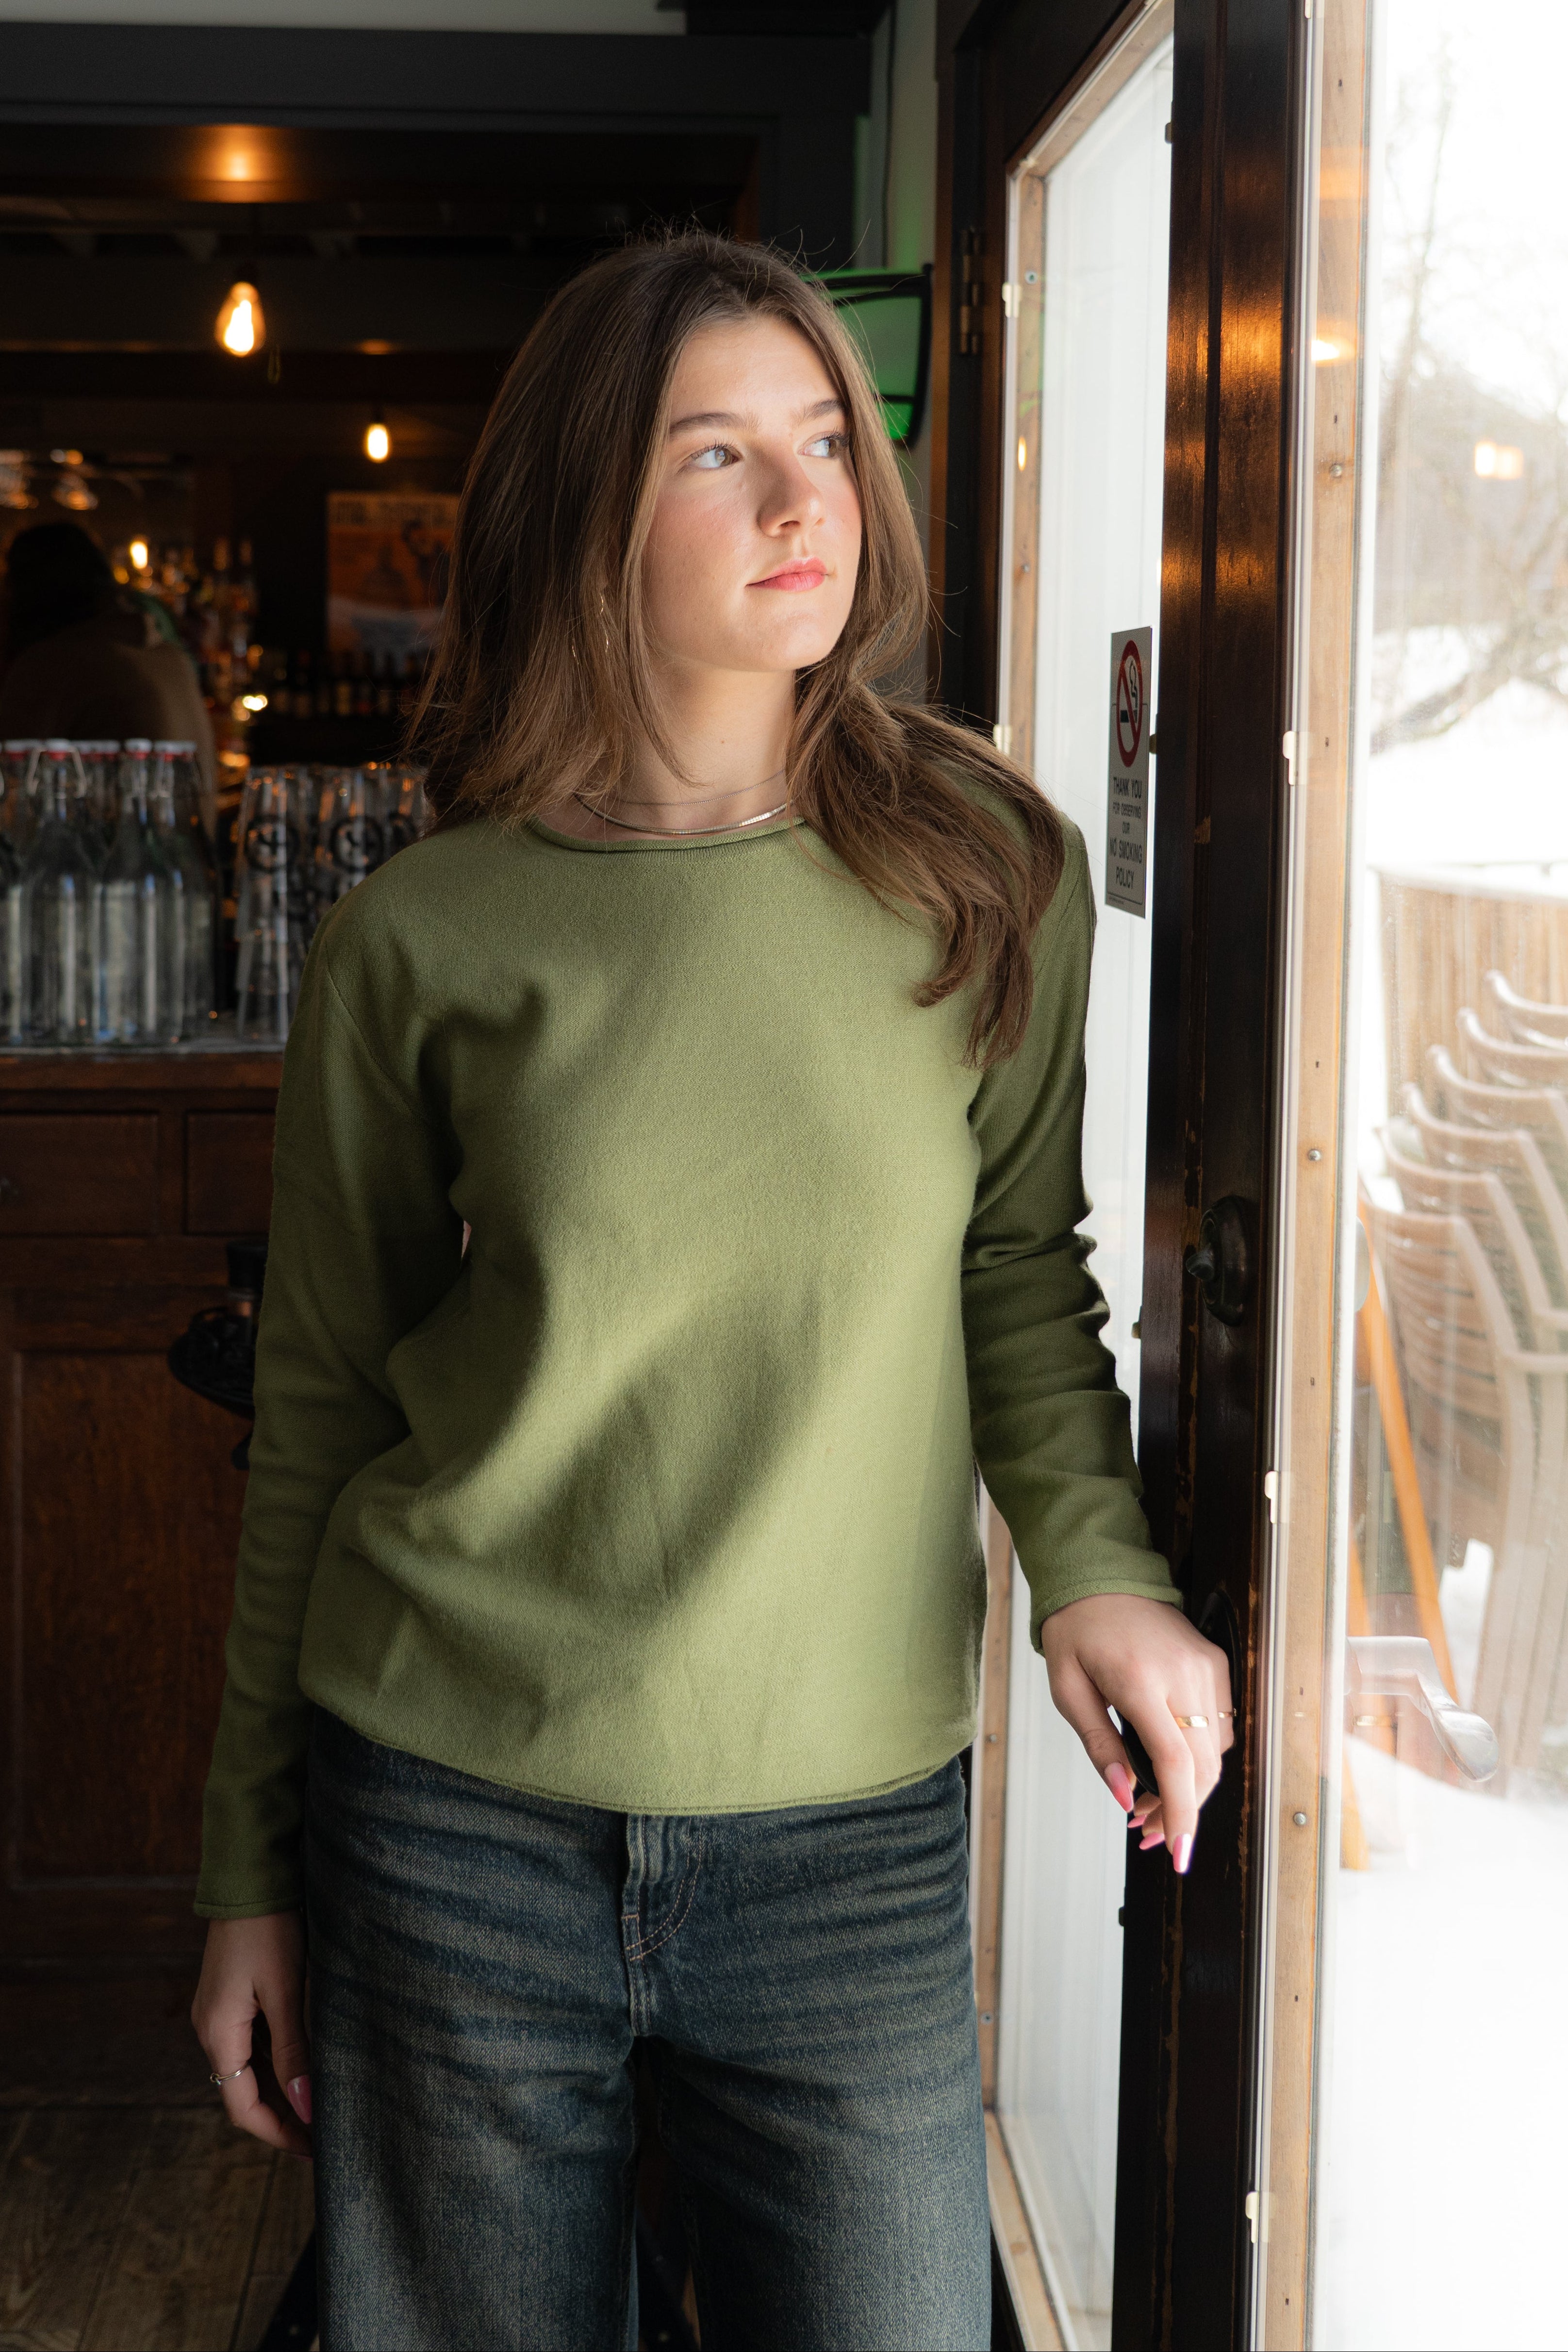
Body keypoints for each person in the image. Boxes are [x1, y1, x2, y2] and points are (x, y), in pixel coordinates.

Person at [191, 232, 1233, 2352]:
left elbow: (1019, 1277)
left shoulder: (988, 870)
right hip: (449, 1812)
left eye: (823, 440)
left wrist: (1091, 1568)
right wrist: (248, 1866)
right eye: (716, 451)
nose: (802, 501)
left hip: (844, 1832)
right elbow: (317, 1405)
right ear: (586, 507)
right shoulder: (423, 934)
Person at [0, 521, 215, 784]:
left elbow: (10, 785)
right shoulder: (166, 654)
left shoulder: (54, 664)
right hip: (179, 822)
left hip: (123, 822)